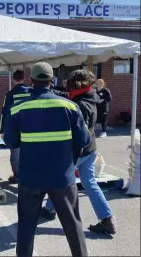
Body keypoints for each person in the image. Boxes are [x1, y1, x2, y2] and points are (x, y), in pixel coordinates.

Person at [4, 62, 91, 257]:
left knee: (26, 227)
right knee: (73, 226)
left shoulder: (18, 108)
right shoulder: (69, 106)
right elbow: (84, 140)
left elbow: (10, 141)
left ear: (32, 81)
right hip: (62, 178)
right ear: (52, 81)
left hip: (30, 178)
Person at [41, 70, 117, 235]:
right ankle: (107, 219)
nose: (67, 84)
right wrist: (47, 90)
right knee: (89, 183)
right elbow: (66, 94)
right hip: (90, 149)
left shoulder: (81, 105)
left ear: (77, 85)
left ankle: (50, 209)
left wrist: (70, 158)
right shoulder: (87, 96)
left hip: (79, 151)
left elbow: (79, 136)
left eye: (70, 81)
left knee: (58, 179)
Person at [0, 70, 31, 183]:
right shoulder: (31, 92)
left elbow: (4, 113)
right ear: (24, 78)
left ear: (13, 79)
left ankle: (17, 176)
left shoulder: (10, 94)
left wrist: (2, 130)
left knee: (15, 152)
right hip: (31, 126)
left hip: (15, 128)